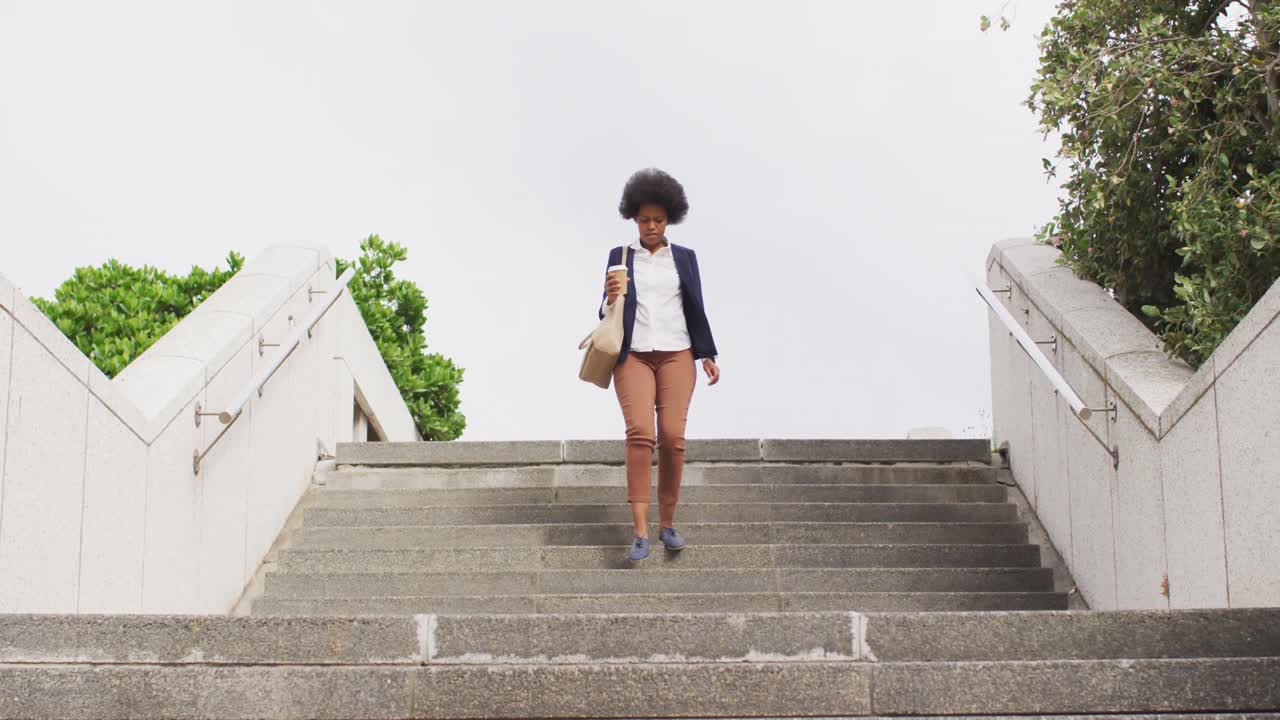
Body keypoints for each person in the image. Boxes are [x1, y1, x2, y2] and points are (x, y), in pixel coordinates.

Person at [599, 168, 720, 562]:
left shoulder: (684, 259)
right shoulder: (620, 257)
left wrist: (707, 354)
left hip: (677, 353)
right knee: (639, 432)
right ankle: (640, 532)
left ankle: (667, 525)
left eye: (659, 220)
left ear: (670, 219)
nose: (651, 226)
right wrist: (610, 295)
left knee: (671, 435)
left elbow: (695, 306)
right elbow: (606, 313)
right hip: (633, 353)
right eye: (644, 219)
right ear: (634, 217)